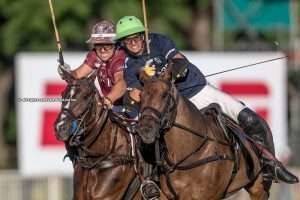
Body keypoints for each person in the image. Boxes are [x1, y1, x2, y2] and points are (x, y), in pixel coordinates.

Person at [115, 15, 298, 199]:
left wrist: (171, 71)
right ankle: (151, 179)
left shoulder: (159, 42)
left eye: (136, 37)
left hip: (196, 91)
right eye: (127, 40)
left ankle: (270, 165)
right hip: (170, 107)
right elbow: (134, 93)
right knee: (147, 134)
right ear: (122, 43)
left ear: (143, 35)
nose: (133, 43)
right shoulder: (130, 65)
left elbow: (179, 60)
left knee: (250, 118)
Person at [58, 20, 126, 108]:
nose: (102, 50)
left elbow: (120, 82)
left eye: (107, 45)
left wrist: (109, 99)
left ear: (115, 44)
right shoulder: (95, 55)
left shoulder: (119, 56)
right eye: (98, 45)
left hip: (126, 103)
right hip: (107, 103)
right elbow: (77, 75)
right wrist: (66, 72)